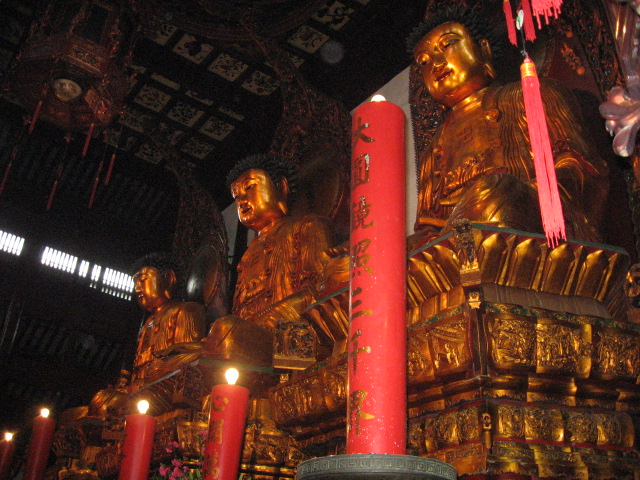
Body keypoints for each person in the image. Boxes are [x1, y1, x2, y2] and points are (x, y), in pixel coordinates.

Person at [406, 7, 609, 242]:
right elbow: (428, 226)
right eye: (424, 62)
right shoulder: (433, 151)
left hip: (525, 227)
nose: (436, 64)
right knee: (397, 250)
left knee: (495, 192)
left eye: (448, 44)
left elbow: (580, 169)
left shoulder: (530, 95)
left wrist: (517, 195)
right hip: (458, 243)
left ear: (483, 49)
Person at [204, 154, 346, 365]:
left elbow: (319, 292)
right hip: (253, 338)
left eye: (250, 187)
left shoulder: (307, 227)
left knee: (227, 334)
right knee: (202, 350)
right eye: (236, 196)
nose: (242, 201)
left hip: (297, 336)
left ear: (281, 187)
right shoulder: (246, 256)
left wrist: (259, 321)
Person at [131, 253, 207, 387]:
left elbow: (188, 362)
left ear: (169, 279)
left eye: (143, 280)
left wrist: (158, 371)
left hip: (165, 386)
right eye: (135, 284)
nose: (137, 289)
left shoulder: (185, 310)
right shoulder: (147, 324)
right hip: (140, 388)